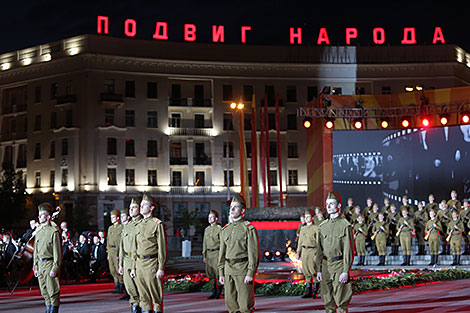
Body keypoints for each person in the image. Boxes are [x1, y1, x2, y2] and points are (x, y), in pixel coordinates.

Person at [218, 195, 260, 313]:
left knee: (245, 306)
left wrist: (250, 273)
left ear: (242, 211)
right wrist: (221, 273)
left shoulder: (248, 228)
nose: (231, 210)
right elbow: (222, 253)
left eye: (235, 207)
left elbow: (254, 253)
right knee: (231, 305)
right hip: (228, 271)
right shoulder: (225, 229)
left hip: (242, 270)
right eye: (231, 207)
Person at [316, 192, 354, 313]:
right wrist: (318, 269)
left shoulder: (345, 225)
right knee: (327, 301)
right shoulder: (322, 226)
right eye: (327, 204)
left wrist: (345, 270)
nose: (328, 206)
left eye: (332, 204)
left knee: (341, 302)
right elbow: (319, 250)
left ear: (339, 205)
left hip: (339, 265)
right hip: (326, 266)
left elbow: (349, 250)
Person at [130, 194, 167, 313]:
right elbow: (134, 249)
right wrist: (133, 267)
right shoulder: (138, 225)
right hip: (139, 264)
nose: (141, 207)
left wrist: (161, 267)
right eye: (140, 205)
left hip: (151, 263)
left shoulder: (157, 224)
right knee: (143, 296)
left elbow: (162, 247)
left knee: (155, 295)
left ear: (151, 208)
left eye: (144, 204)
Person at [33, 203, 61, 313]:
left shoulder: (53, 231)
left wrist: (55, 268)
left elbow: (57, 253)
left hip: (49, 263)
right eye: (39, 215)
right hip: (40, 264)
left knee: (52, 291)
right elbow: (36, 250)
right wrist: (35, 266)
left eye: (41, 215)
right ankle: (48, 310)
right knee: (44, 291)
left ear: (48, 217)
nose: (39, 218)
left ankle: (53, 311)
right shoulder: (39, 231)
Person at [119, 198, 143, 311]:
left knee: (140, 288)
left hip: (138, 260)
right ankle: (134, 306)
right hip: (126, 260)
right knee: (129, 288)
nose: (131, 210)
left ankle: (142, 307)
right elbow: (121, 246)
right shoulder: (127, 226)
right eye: (130, 208)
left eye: (134, 207)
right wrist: (120, 264)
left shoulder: (142, 224)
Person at [296, 209, 319, 299]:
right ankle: (308, 291)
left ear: (312, 218)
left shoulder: (316, 228)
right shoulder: (303, 228)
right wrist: (298, 252)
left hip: (313, 250)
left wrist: (318, 254)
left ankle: (315, 291)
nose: (306, 219)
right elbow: (300, 242)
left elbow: (318, 242)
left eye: (308, 217)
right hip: (304, 251)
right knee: (306, 271)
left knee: (313, 270)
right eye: (305, 217)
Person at [202, 209, 222, 299]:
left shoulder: (219, 229)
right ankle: (213, 291)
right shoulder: (207, 229)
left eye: (211, 217)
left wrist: (222, 255)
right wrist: (204, 255)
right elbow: (204, 243)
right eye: (208, 217)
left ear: (216, 218)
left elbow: (222, 243)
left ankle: (219, 292)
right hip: (209, 254)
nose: (209, 219)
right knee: (210, 273)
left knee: (218, 273)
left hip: (217, 253)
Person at [107, 209, 124, 295]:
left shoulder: (121, 228)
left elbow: (120, 241)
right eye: (111, 217)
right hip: (111, 251)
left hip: (117, 250)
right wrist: (108, 253)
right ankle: (116, 285)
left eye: (113, 217)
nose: (112, 219)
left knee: (118, 270)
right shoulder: (110, 228)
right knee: (112, 270)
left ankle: (121, 286)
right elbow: (108, 241)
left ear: (118, 218)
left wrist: (118, 254)